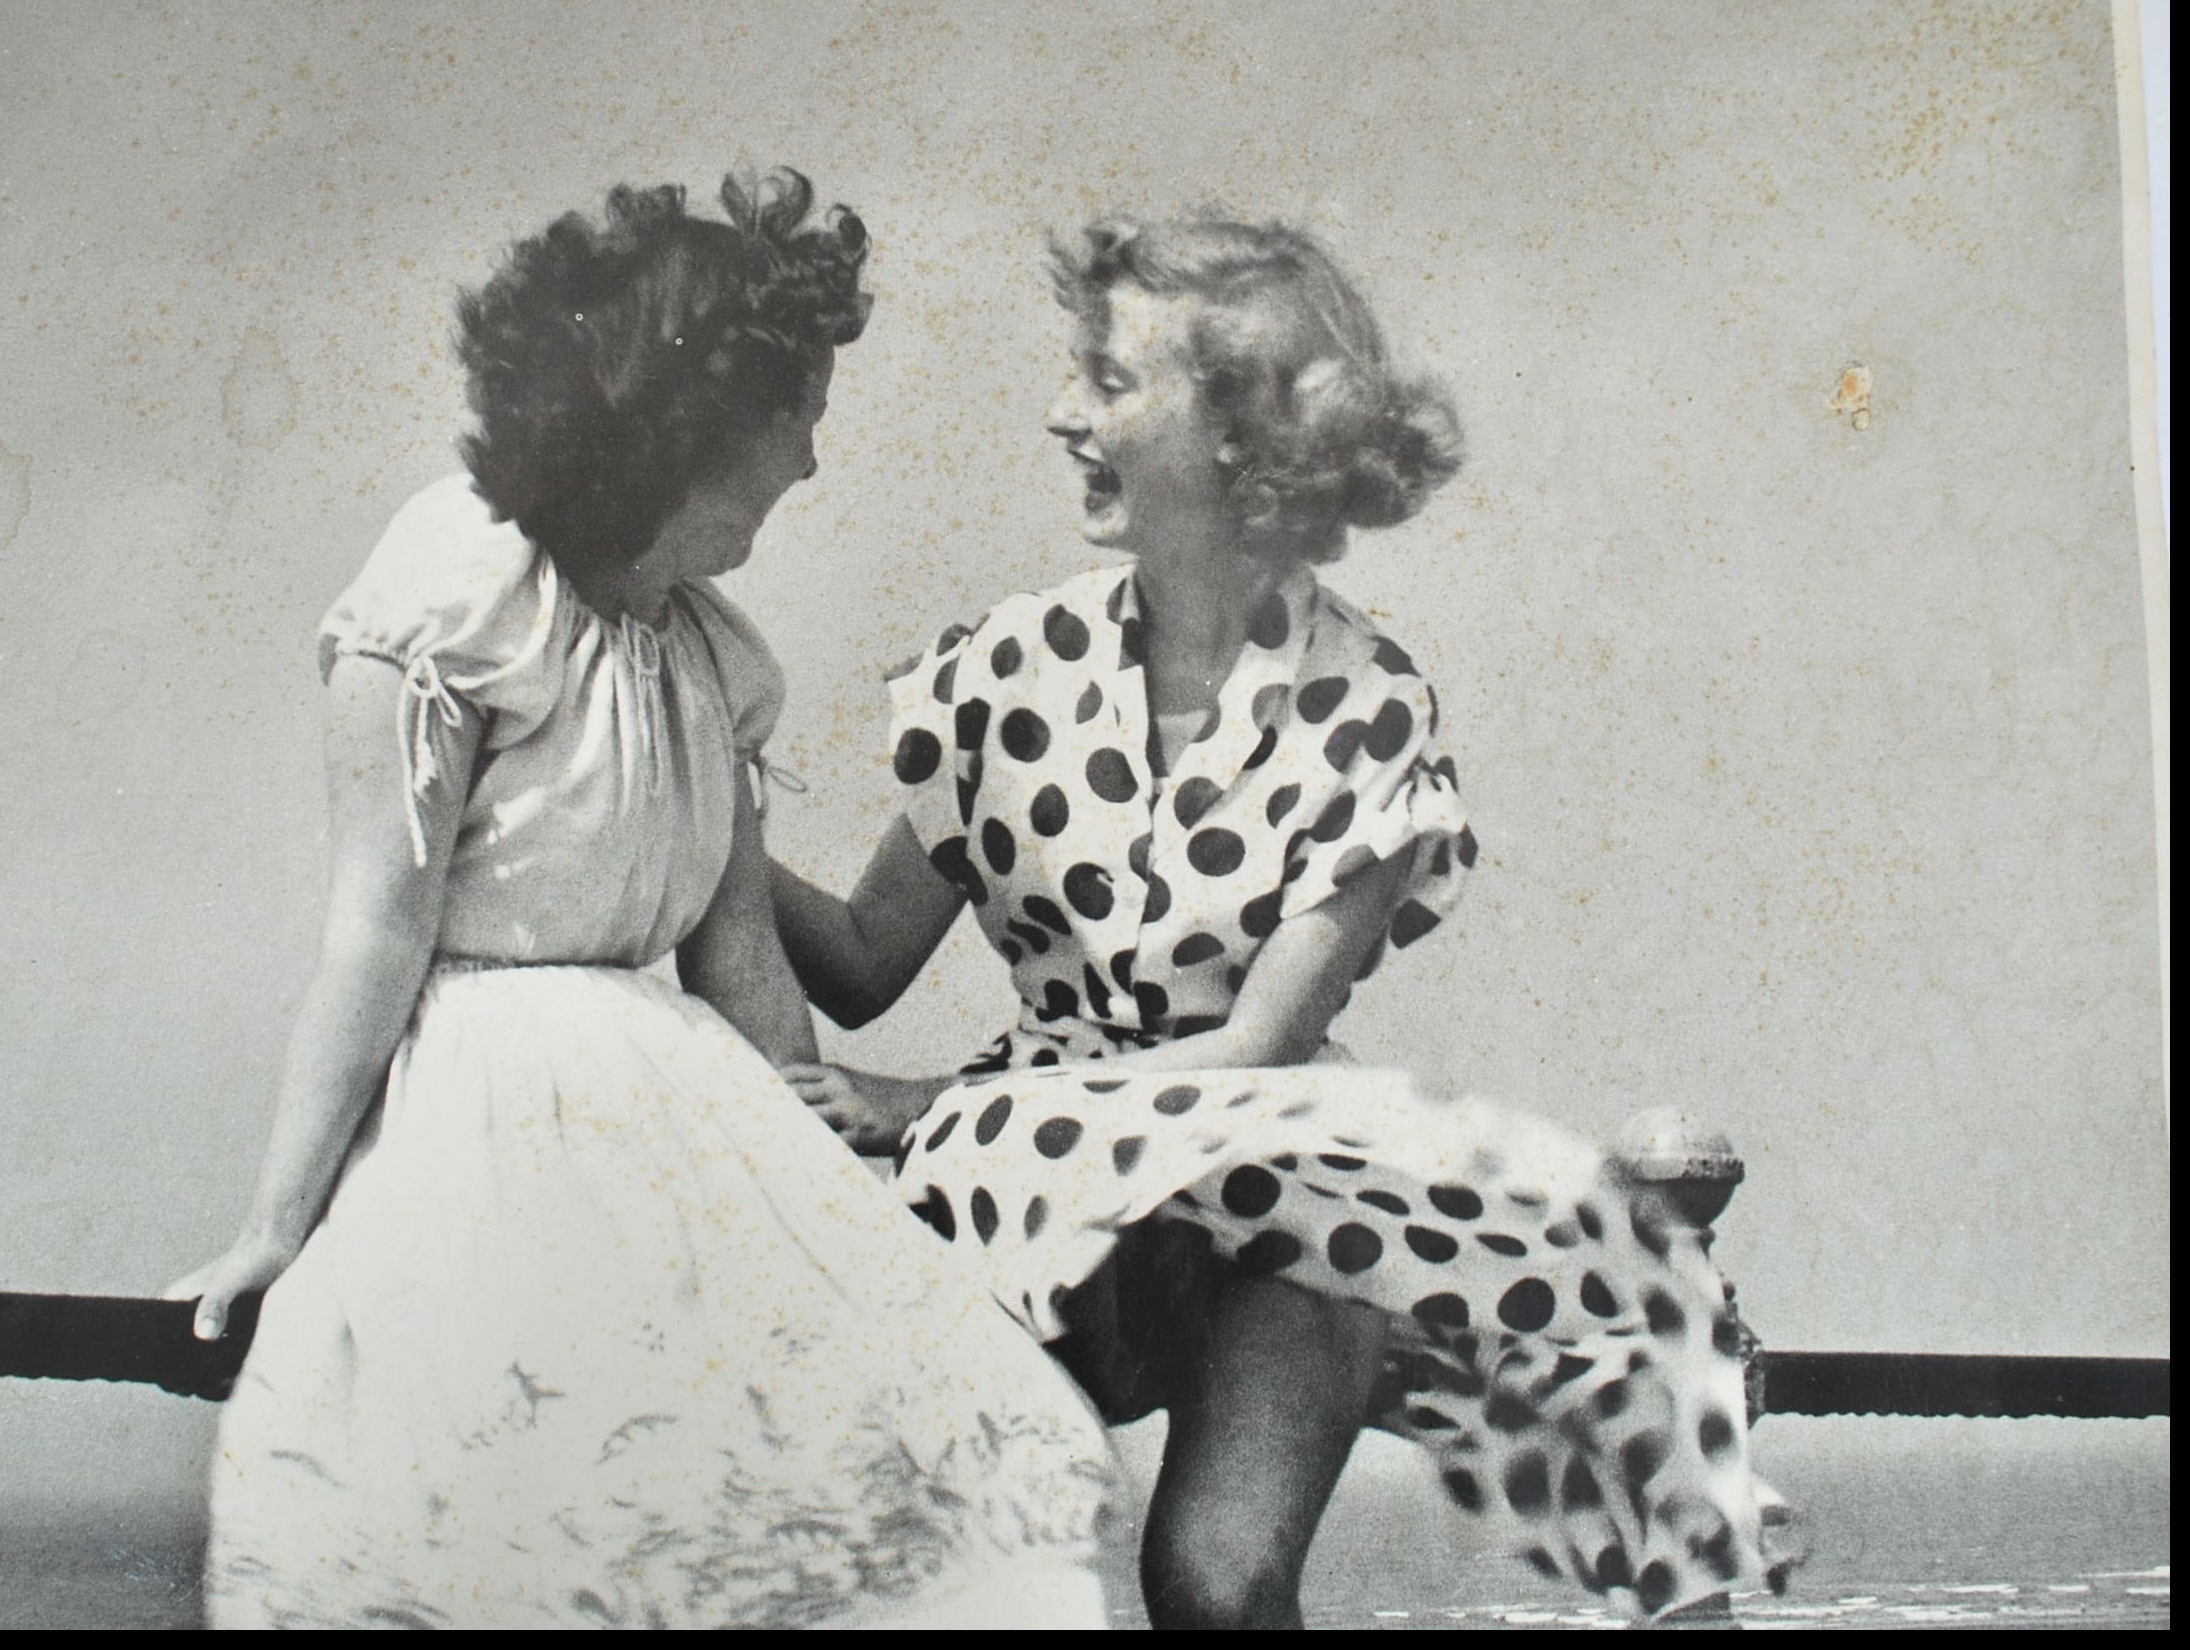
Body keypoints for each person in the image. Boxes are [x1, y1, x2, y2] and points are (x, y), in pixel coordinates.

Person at [771, 215, 1798, 1627]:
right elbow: (860, 964)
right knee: (954, 1571)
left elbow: (1251, 1054)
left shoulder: (1373, 713)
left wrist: (926, 1107)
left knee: (1215, 1583)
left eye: (1110, 379)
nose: (1060, 412)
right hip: (1023, 1197)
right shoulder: (1000, 675)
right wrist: (690, 790)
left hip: (1272, 1200)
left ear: (1249, 441)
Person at [164, 170, 1119, 1630]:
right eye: (794, 414)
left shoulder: (706, 657)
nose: (809, 459)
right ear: (690, 428)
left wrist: (831, 1192)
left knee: (906, 1463)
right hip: (479, 1116)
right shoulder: (458, 596)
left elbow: (739, 953)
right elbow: (375, 933)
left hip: (681, 1118)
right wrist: (273, 1224)